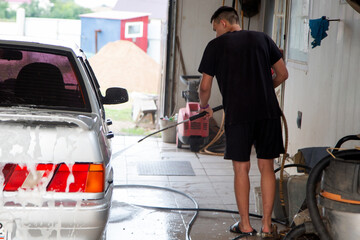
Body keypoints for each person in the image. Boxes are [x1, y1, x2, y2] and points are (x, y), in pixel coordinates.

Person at [198, 6, 288, 237]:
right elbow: (282, 74)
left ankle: (245, 225)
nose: (215, 33)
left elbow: (205, 86)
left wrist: (205, 107)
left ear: (223, 23)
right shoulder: (263, 38)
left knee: (242, 168)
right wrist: (266, 90)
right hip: (268, 111)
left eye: (214, 28)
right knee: (267, 167)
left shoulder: (215, 46)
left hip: (238, 114)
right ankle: (267, 226)